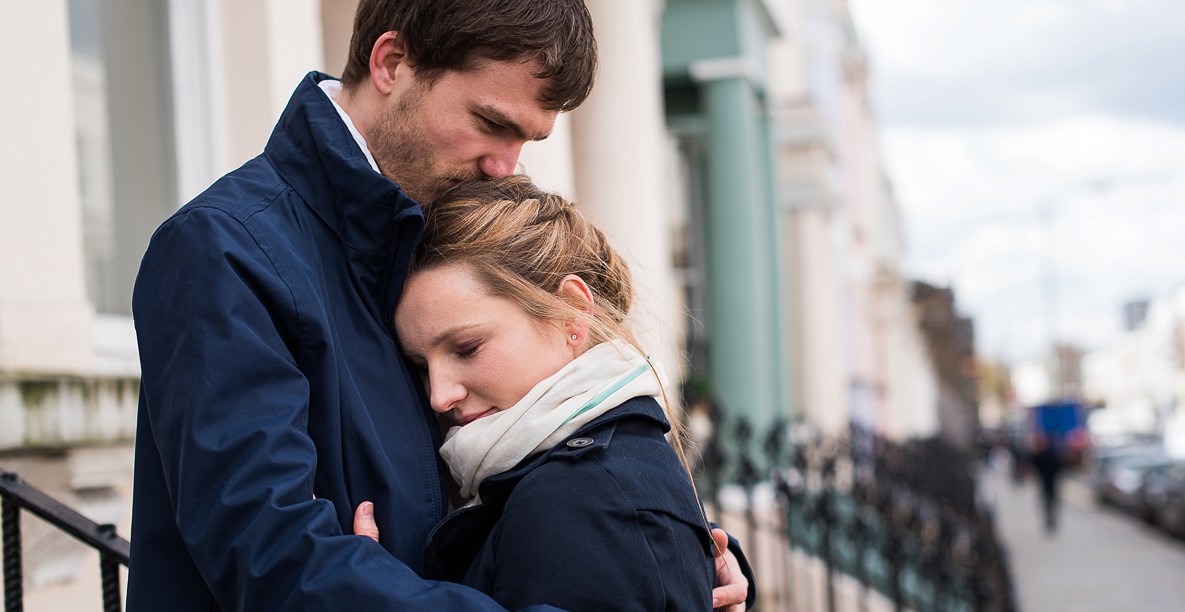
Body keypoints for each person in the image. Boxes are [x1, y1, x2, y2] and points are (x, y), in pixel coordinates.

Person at [126, 0, 751, 610]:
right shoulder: (225, 250)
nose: (505, 168)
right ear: (392, 63)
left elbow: (539, 450)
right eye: (491, 123)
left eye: (525, 140)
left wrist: (662, 557)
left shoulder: (429, 221)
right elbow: (268, 555)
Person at [353, 175, 726, 609]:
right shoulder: (567, 474)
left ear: (571, 313)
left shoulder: (581, 499)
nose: (440, 396)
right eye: (420, 366)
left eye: (467, 348)